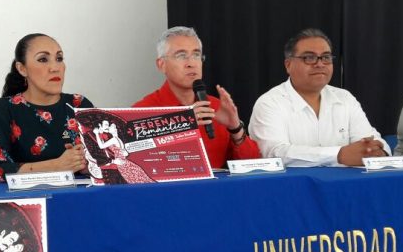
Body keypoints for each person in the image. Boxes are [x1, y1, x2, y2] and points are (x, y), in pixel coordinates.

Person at [249, 28, 389, 167]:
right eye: (309, 58)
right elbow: (274, 153)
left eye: (326, 57)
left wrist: (376, 152)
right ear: (288, 65)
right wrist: (338, 155)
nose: (320, 64)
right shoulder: (270, 103)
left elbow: (372, 141)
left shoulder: (345, 98)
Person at [0, 33, 93, 182]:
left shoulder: (79, 105)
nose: (55, 68)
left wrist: (88, 166)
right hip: (22, 196)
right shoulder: (2, 110)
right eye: (43, 59)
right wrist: (55, 166)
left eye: (59, 58)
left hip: (79, 194)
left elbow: (107, 160)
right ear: (22, 68)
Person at [133, 26, 261, 168]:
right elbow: (135, 165)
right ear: (161, 64)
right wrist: (182, 124)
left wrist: (235, 128)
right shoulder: (142, 112)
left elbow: (253, 166)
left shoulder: (216, 107)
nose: (191, 63)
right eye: (181, 56)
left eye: (196, 55)